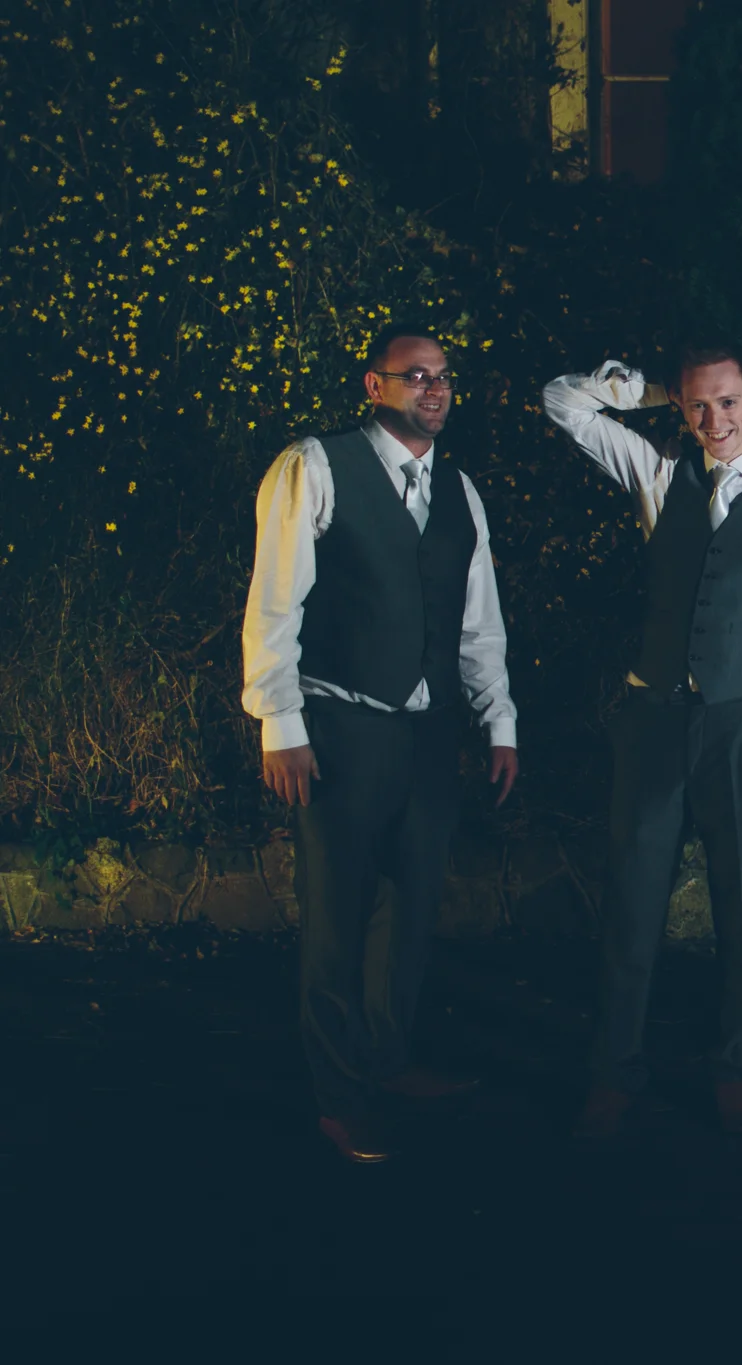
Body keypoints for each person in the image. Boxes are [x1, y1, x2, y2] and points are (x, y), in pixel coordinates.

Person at [542, 345, 742, 1137]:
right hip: (651, 722)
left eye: (725, 403)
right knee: (632, 903)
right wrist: (651, 393)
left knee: (739, 904)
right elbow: (561, 402)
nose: (713, 421)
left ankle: (734, 1066)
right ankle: (614, 1073)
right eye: (696, 407)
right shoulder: (657, 470)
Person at [241, 322, 520, 1163]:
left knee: (410, 909)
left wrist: (499, 721)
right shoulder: (315, 466)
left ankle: (386, 1059)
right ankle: (339, 1097)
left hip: (431, 734)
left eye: (444, 378)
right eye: (416, 377)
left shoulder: (461, 491)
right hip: (340, 725)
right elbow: (274, 603)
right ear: (374, 386)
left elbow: (481, 626)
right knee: (337, 916)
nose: (434, 390)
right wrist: (278, 723)